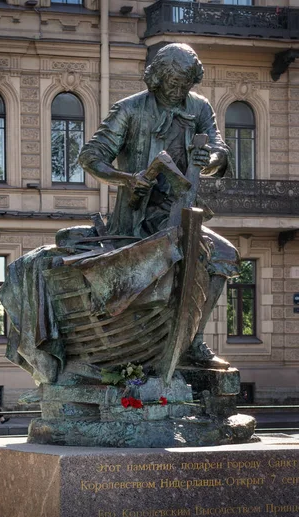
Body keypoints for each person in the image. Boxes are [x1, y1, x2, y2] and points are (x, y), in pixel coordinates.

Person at [79, 42, 239, 369]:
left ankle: (193, 342)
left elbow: (220, 151)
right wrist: (126, 178)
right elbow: (91, 157)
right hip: (139, 219)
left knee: (224, 255)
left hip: (181, 213)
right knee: (155, 268)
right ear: (157, 79)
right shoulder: (130, 109)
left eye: (186, 84)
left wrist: (208, 158)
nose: (180, 91)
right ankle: (134, 349)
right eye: (174, 84)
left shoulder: (199, 107)